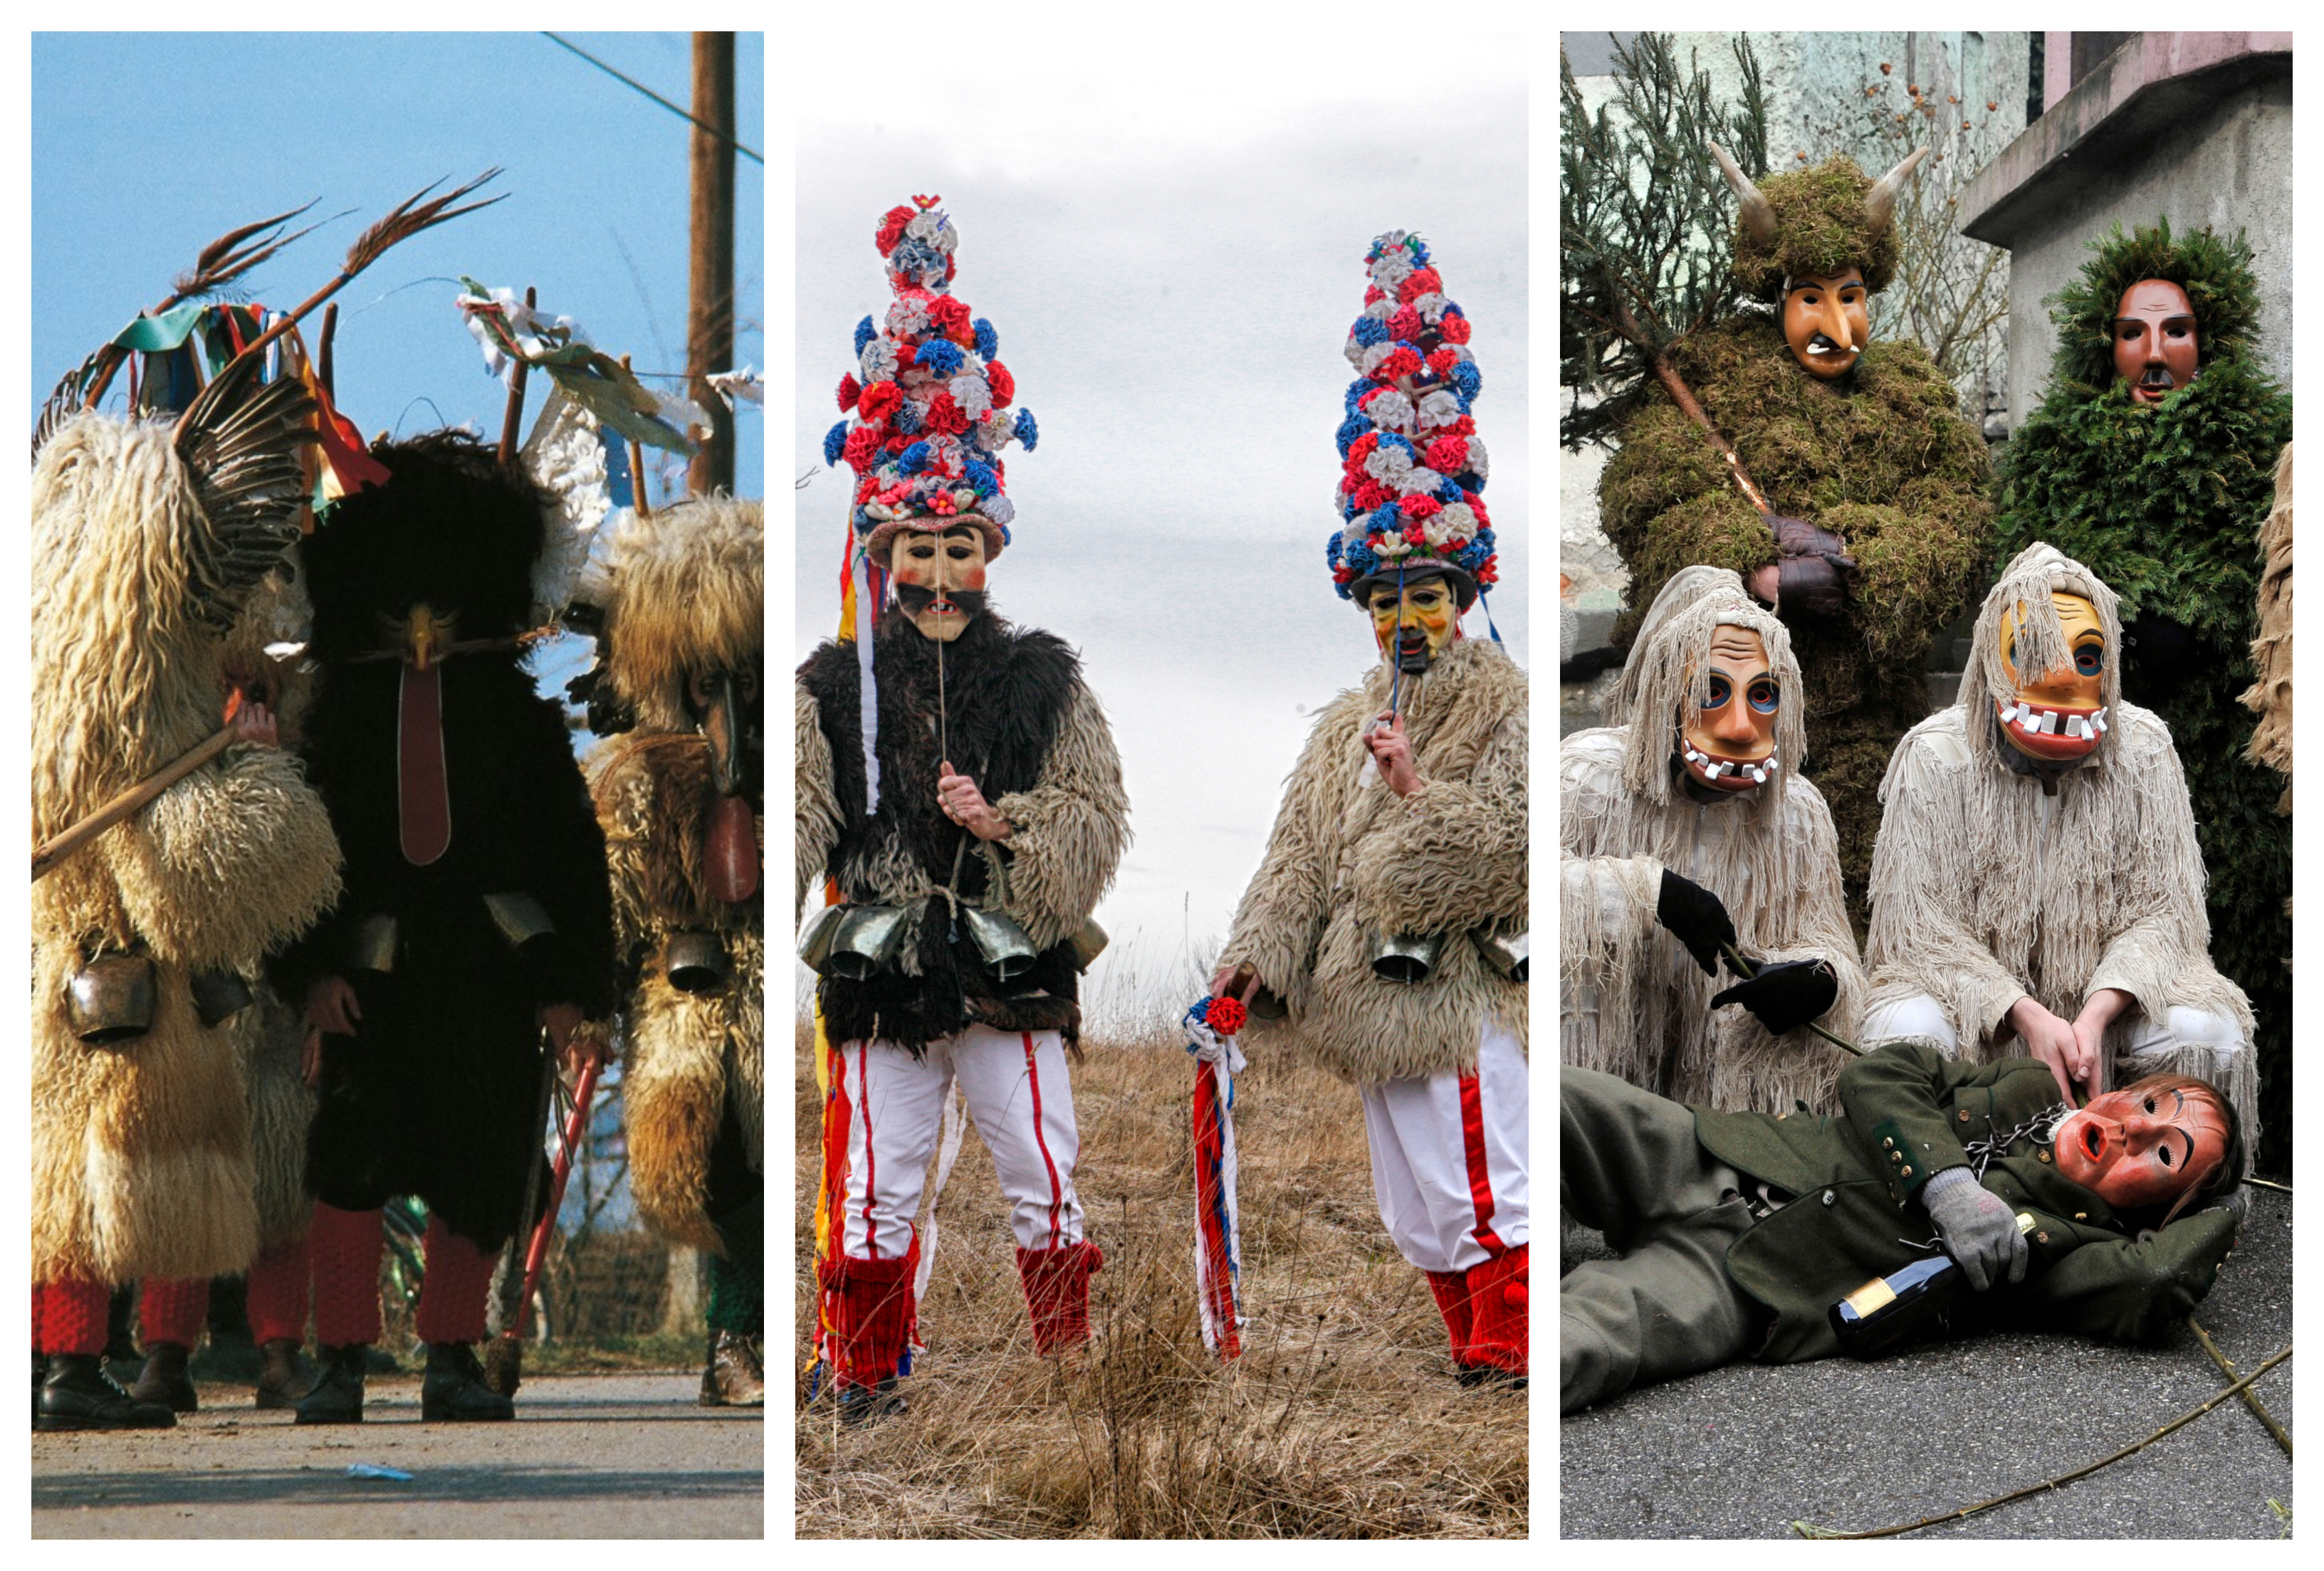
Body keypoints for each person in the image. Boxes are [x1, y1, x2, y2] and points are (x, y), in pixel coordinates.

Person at [800, 198, 1131, 1422]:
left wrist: (1004, 827)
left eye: (958, 546)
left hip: (1004, 962)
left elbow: (1094, 813)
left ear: (989, 545)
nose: (937, 573)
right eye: (916, 549)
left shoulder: (1042, 674)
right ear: (881, 554)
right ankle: (869, 1372)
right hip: (884, 970)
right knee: (879, 1183)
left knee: (1040, 1166)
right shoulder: (835, 682)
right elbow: (799, 805)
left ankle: (1066, 1369)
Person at [1215, 231, 1527, 1384]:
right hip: (1364, 999)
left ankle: (1513, 1343)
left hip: (1456, 991)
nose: (1407, 618)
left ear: (1461, 592)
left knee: (1483, 1165)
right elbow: (1295, 857)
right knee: (1417, 1192)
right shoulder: (1343, 721)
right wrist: (1249, 961)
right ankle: (1470, 1341)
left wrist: (1412, 793)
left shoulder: (1504, 704)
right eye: (1387, 598)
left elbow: (1507, 846)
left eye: (1428, 595)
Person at [273, 426, 616, 1424]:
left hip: (487, 972)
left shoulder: (514, 714)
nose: (423, 619)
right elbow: (304, 851)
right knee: (350, 1161)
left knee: (482, 1156)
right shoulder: (336, 715)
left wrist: (569, 988)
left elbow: (569, 853)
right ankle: (339, 1357)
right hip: (369, 976)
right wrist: (313, 970)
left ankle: (451, 1357)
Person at [31, 328, 342, 1431]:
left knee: (78, 1166)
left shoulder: (58, 677)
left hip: (62, 964)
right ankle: (72, 1371)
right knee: (109, 1162)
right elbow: (200, 883)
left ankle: (75, 1363)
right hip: (125, 972)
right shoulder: (140, 703)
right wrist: (253, 763)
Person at [1595, 147, 1989, 924]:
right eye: (1812, 298)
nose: (1835, 325)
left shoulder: (1915, 399)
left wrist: (1853, 558)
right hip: (1723, 721)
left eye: (1850, 296)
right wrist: (1759, 575)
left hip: (1867, 722)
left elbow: (1958, 522)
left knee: (1861, 905)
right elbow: (1657, 503)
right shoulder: (1705, 380)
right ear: (1778, 296)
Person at [1989, 221, 2291, 1170]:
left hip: (2220, 743)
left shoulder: (2255, 449)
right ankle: (2096, 1128)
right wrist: (2115, 623)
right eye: (2133, 332)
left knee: (2223, 929)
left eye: (2176, 330)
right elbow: (2038, 573)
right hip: (2095, 739)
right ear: (2105, 343)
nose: (2155, 354)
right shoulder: (2058, 452)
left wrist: (2194, 615)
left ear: (2209, 338)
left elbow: (2260, 573)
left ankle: (2231, 1137)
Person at [1560, 1039, 2244, 1414]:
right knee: (1540, 1094)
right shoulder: (2026, 1085)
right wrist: (1947, 1185)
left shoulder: (2077, 1246)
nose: (2141, 1126)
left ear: (2156, 1209)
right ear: (2119, 1090)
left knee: (1585, 1341)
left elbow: (2158, 1278)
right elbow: (1882, 1073)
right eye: (2156, 1101)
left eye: (2165, 1154)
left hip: (1750, 1283)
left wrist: (2224, 1205)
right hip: (1711, 1151)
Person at [1860, 543, 2256, 1159]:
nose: (2063, 674)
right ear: (1994, 660)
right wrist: (2021, 1011)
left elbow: (2167, 912)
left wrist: (2097, 1013)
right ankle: (1938, 1191)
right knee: (1901, 1026)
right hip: (1981, 1020)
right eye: (2033, 652)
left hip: (2109, 1014)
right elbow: (1918, 930)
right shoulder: (1934, 757)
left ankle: (2180, 1198)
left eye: (2087, 655)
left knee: (2208, 1028)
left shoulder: (2145, 750)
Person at [1562, 564, 1863, 1115]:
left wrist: (1820, 980)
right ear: (1665, 695)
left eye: (1764, 695)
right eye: (1711, 691)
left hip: (1722, 1062)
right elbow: (1533, 892)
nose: (1741, 727)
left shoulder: (1798, 813)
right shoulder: (1588, 777)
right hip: (1608, 1050)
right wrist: (1651, 891)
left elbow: (1827, 937)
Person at [586, 495, 766, 1406]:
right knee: (714, 1164)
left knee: (767, 1154)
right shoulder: (636, 768)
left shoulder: (788, 755)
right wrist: (585, 993)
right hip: (680, 1005)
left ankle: (745, 1339)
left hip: (768, 988)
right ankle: (739, 1337)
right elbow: (609, 889)